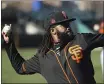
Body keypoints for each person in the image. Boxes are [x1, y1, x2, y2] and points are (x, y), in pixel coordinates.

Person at [2, 11, 104, 84]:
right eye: (63, 24)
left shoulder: (81, 39)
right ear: (52, 31)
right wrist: (9, 42)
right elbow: (20, 67)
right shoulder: (43, 56)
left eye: (68, 23)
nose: (68, 26)